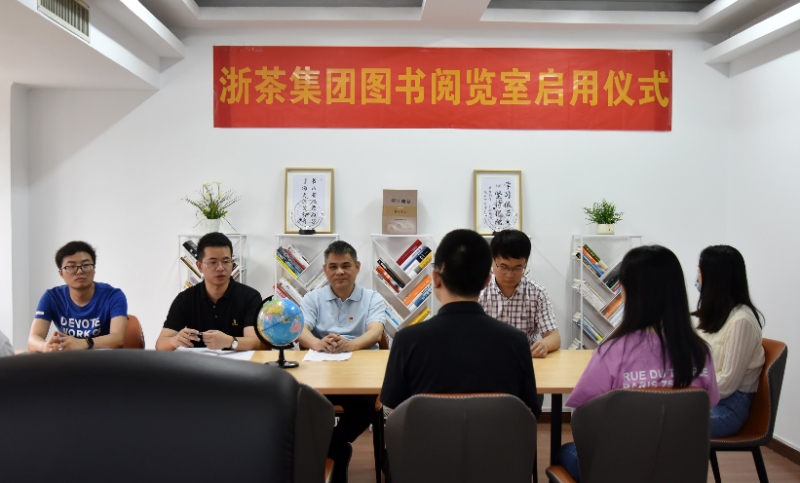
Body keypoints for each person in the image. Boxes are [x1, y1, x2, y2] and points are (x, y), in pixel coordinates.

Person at [558, 245, 720, 482]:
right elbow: (708, 405)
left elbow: (582, 417)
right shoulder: (700, 352)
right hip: (680, 469)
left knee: (565, 452)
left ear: (629, 292)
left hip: (621, 469)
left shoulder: (613, 352)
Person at [381, 228, 540, 416]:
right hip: (493, 436)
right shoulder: (516, 341)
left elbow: (394, 410)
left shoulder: (406, 341)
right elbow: (528, 410)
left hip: (431, 436)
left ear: (436, 279)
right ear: (486, 281)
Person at [298, 240, 385, 483]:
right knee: (302, 406)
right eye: (333, 266)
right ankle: (337, 450)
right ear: (325, 269)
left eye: (346, 266)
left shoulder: (372, 298)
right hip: (320, 373)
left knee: (365, 408)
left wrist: (350, 345)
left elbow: (375, 332)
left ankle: (333, 447)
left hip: (360, 375)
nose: (340, 272)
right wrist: (317, 343)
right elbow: (300, 329)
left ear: (357, 267)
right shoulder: (312, 298)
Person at [694, 245, 765, 438]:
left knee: (671, 423)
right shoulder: (709, 317)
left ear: (715, 280)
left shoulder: (741, 321)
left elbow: (727, 384)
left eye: (700, 274)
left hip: (729, 407)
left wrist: (688, 392)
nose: (697, 280)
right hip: (705, 399)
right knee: (656, 417)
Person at [156, 232, 262, 351]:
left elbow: (254, 342)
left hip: (236, 362)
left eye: (226, 261)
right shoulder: (185, 299)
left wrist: (229, 341)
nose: (220, 268)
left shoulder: (250, 297)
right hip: (198, 362)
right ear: (199, 266)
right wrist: (175, 340)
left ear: (232, 264)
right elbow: (161, 344)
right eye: (213, 262)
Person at [28, 241, 128, 352]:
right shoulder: (52, 297)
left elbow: (118, 338)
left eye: (86, 265)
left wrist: (85, 342)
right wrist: (45, 347)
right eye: (71, 266)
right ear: (61, 273)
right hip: (68, 358)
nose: (79, 271)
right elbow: (33, 339)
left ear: (94, 269)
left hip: (102, 358)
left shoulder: (113, 296)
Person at [479, 229, 560, 358]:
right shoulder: (479, 292)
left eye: (517, 268)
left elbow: (554, 336)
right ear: (492, 261)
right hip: (487, 359)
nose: (510, 274)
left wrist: (545, 345)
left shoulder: (537, 294)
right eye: (504, 267)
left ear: (525, 263)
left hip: (524, 360)